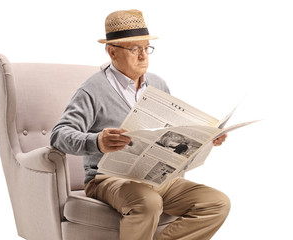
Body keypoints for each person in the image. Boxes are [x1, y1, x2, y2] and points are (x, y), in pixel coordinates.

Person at [51, 9, 229, 240]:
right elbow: (58, 135)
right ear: (112, 52)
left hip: (156, 177)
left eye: (146, 48)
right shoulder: (92, 89)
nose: (143, 56)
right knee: (148, 202)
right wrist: (97, 141)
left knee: (216, 203)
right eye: (135, 49)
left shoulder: (157, 83)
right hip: (107, 179)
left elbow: (173, 132)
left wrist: (205, 139)